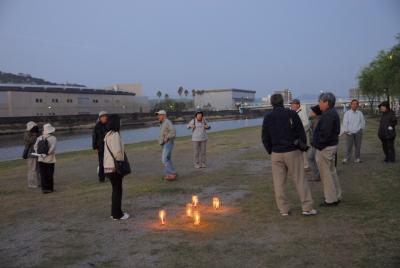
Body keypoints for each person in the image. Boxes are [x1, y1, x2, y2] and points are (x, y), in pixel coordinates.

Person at [262, 93, 317, 217]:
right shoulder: (291, 114)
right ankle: (307, 207)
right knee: (300, 180)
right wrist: (301, 147)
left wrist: (270, 150)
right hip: (292, 151)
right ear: (283, 102)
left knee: (278, 183)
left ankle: (283, 209)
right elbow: (301, 132)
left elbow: (265, 137)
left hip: (276, 153)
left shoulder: (268, 117)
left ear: (271, 103)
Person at [313, 92, 342, 207]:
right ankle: (337, 195)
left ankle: (330, 199)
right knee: (332, 172)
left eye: (320, 102)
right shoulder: (332, 113)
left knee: (326, 175)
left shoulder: (329, 114)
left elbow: (325, 134)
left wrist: (317, 145)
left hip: (326, 148)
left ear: (326, 102)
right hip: (330, 146)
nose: (319, 104)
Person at [103, 115, 129, 220]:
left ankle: (115, 213)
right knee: (118, 190)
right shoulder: (116, 135)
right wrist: (121, 162)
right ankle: (117, 214)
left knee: (115, 190)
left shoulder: (108, 135)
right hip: (115, 167)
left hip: (108, 167)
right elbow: (118, 152)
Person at [34, 123, 57, 194]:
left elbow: (35, 147)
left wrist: (40, 154)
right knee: (50, 174)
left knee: (43, 174)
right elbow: (52, 149)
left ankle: (44, 189)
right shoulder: (53, 138)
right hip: (50, 159)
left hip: (41, 158)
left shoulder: (39, 138)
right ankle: (50, 188)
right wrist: (47, 153)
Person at [341, 99, 365, 164]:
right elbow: (345, 122)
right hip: (349, 132)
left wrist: (361, 129)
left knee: (358, 146)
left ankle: (357, 158)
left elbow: (362, 122)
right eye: (353, 104)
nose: (354, 105)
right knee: (349, 146)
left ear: (357, 105)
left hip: (358, 132)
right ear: (351, 105)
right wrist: (346, 130)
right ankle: (346, 158)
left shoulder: (360, 113)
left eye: (356, 104)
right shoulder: (347, 113)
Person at [156, 110, 177, 181]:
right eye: (157, 115)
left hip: (168, 143)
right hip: (164, 143)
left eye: (159, 115)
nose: (158, 116)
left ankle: (172, 174)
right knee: (167, 159)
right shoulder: (162, 123)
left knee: (164, 159)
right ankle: (171, 173)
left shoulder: (167, 122)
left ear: (164, 115)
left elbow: (173, 132)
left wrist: (167, 137)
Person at [290, 99, 310, 169]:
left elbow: (307, 124)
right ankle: (302, 164)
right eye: (291, 104)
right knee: (298, 150)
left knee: (303, 149)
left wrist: (298, 130)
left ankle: (306, 165)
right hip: (297, 135)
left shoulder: (302, 112)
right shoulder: (295, 113)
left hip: (303, 135)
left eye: (293, 104)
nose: (291, 106)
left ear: (298, 105)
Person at [23, 121, 40, 188]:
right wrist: (35, 134)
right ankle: (31, 184)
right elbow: (30, 141)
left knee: (38, 170)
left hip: (37, 153)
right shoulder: (27, 134)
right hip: (31, 154)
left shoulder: (35, 133)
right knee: (32, 169)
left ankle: (40, 183)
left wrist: (36, 134)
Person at [92, 111, 109, 182]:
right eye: (103, 116)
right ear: (100, 118)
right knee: (101, 163)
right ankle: (101, 178)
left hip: (108, 146)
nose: (105, 117)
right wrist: (95, 147)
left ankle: (109, 175)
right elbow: (94, 137)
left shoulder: (108, 125)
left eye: (105, 116)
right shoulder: (97, 126)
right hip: (101, 147)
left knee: (109, 162)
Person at [308, 105, 322, 181]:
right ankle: (318, 175)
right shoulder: (315, 119)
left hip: (316, 143)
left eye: (312, 111)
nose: (310, 112)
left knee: (311, 158)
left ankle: (318, 175)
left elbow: (315, 133)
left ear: (316, 113)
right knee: (313, 158)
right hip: (315, 143)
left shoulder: (316, 120)